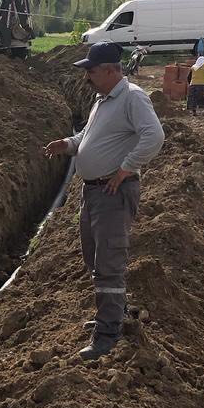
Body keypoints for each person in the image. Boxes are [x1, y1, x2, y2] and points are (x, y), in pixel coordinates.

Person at [43, 42, 165, 361]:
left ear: (112, 70)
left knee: (109, 262)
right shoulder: (103, 99)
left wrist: (126, 168)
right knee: (94, 257)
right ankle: (113, 313)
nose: (87, 77)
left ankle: (108, 333)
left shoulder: (132, 97)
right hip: (93, 192)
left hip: (113, 193)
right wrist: (68, 144)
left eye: (92, 71)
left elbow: (155, 136)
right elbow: (89, 137)